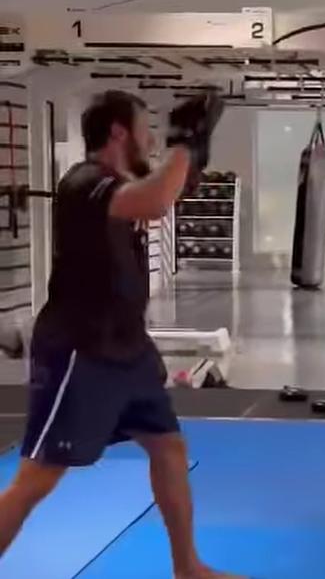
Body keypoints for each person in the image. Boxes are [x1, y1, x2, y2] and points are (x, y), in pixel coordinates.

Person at [0, 90, 239, 579]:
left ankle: (188, 568)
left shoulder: (120, 186)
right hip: (80, 350)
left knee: (168, 448)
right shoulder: (85, 183)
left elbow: (165, 194)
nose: (150, 141)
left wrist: (193, 154)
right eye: (145, 130)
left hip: (128, 349)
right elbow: (155, 200)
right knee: (38, 477)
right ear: (118, 132)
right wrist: (183, 143)